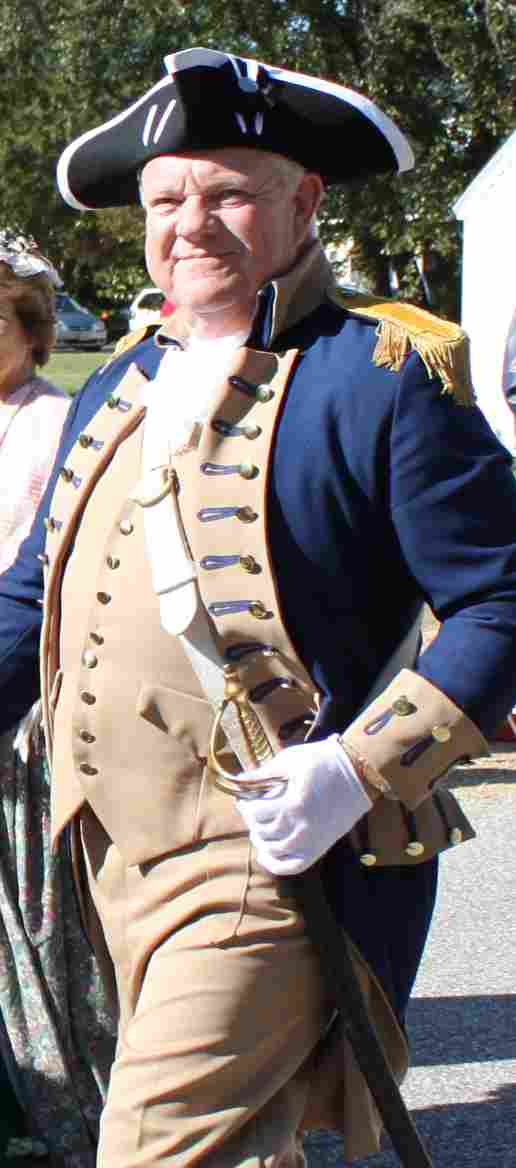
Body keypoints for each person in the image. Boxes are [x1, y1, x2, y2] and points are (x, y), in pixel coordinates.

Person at [1, 47, 516, 1168]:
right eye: (167, 198)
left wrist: (360, 767)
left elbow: (501, 600)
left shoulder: (382, 375)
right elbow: (35, 590)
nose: (192, 223)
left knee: (153, 1147)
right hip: (107, 854)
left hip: (266, 864)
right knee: (251, 1145)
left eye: (229, 191)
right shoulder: (122, 375)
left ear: (304, 202)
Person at [0, 233, 115, 1164]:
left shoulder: (57, 418)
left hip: (22, 700)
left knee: (40, 918)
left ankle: (68, 1104)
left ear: (34, 331)